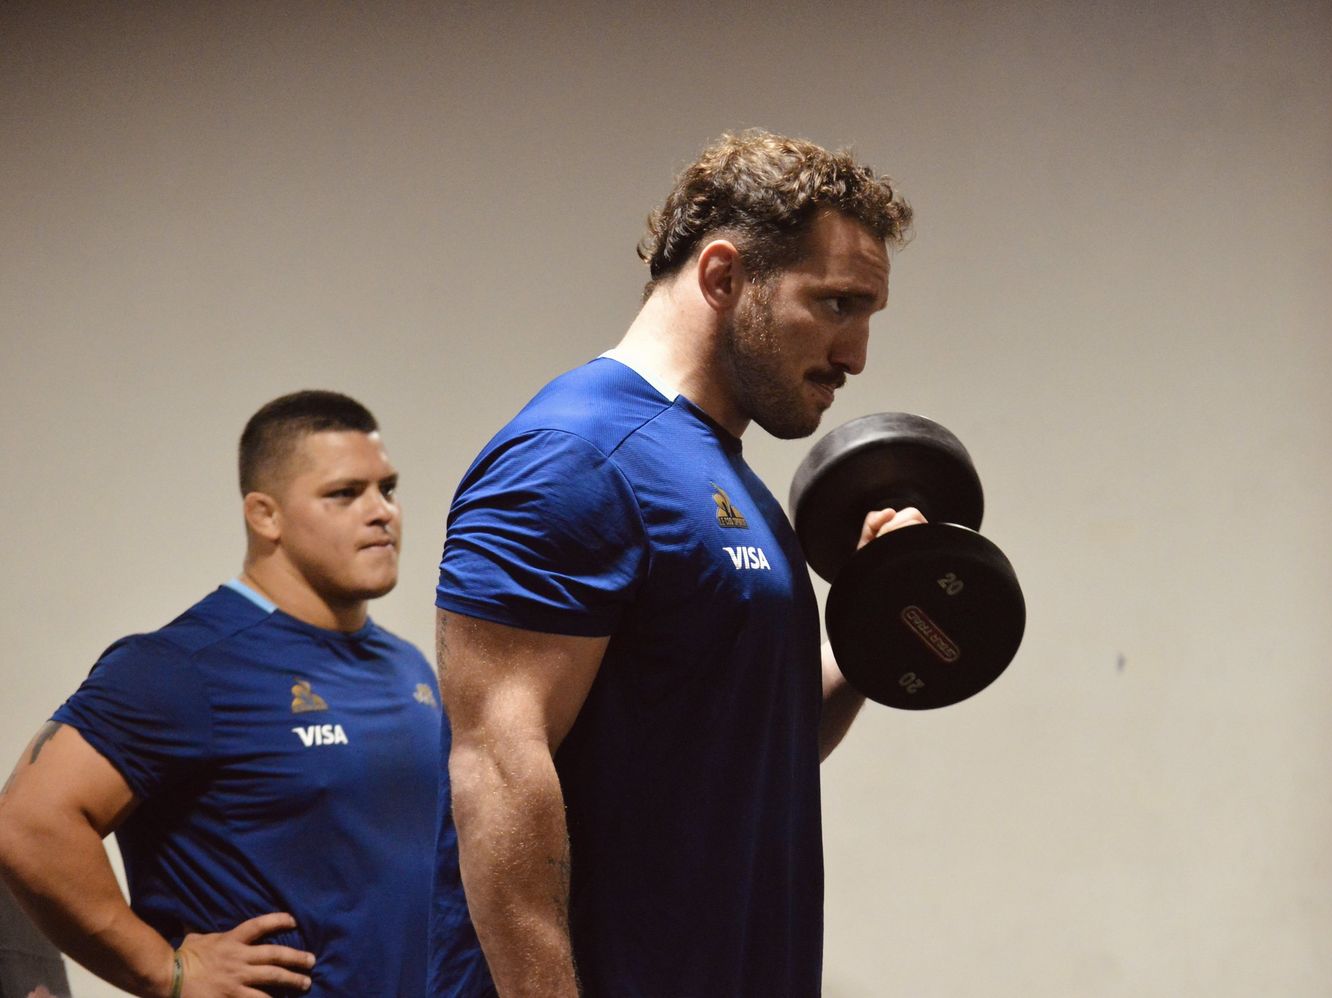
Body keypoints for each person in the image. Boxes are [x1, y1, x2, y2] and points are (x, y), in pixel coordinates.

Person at [430, 129, 918, 997]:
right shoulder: (575, 456)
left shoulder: (728, 479)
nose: (856, 356)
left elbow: (764, 744)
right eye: (838, 305)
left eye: (868, 316)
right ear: (725, 277)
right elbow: (496, 765)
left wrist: (877, 630)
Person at [0, 391, 441, 997]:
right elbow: (27, 823)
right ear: (265, 515)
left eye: (387, 489)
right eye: (345, 493)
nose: (382, 512)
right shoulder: (180, 667)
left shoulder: (407, 667)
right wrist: (166, 970)